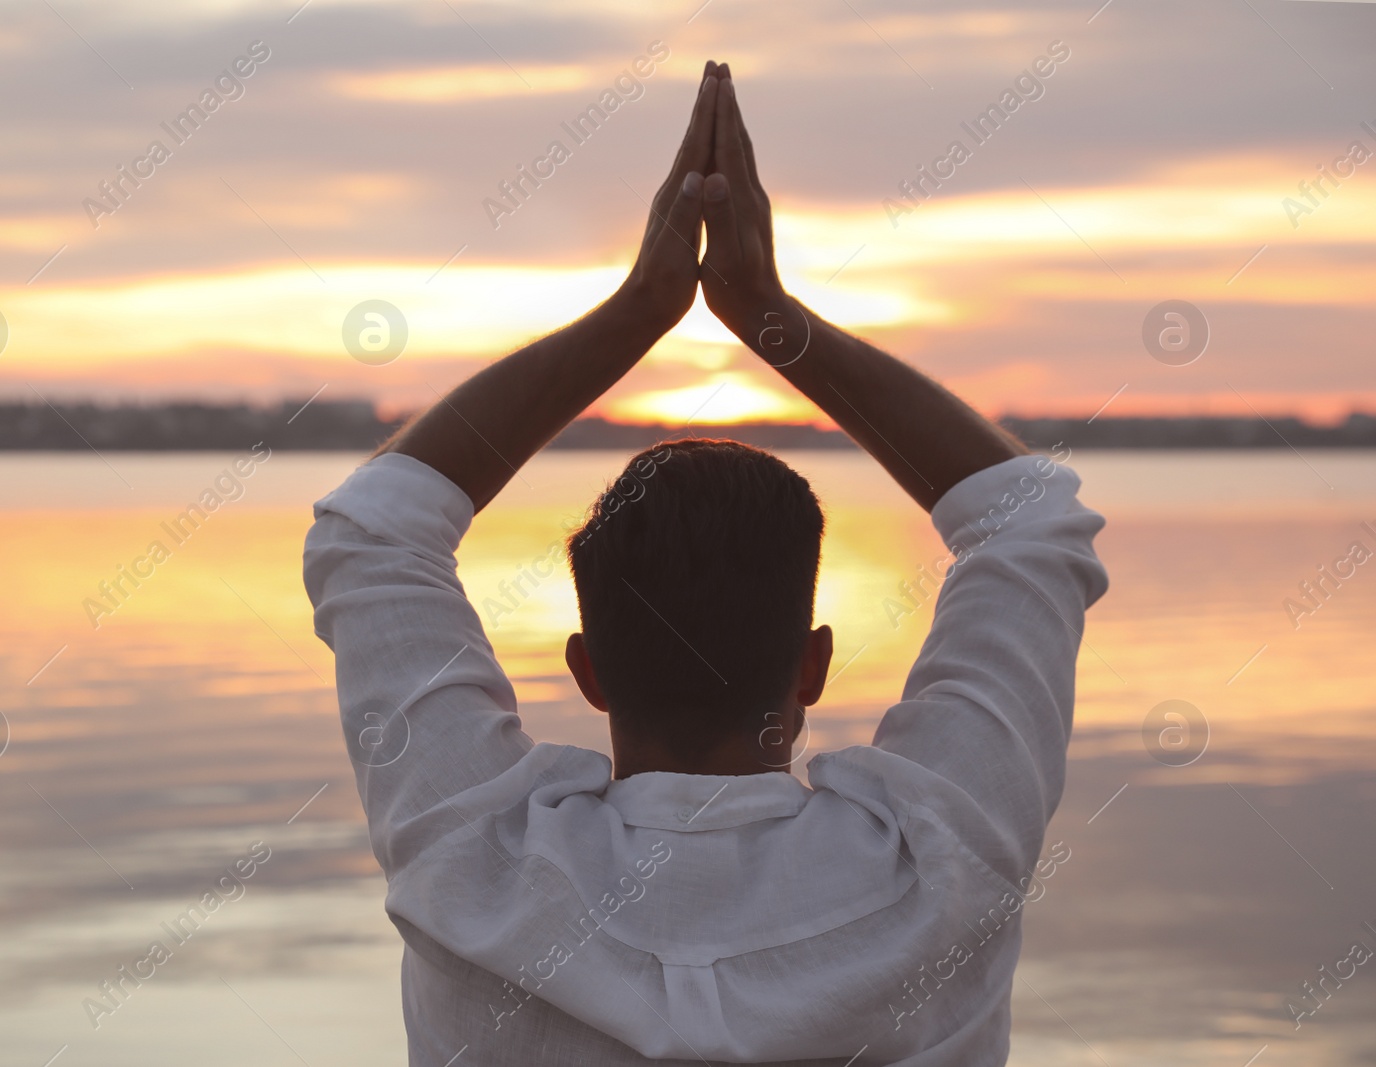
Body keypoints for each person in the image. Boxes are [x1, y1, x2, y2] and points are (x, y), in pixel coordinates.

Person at [303, 61, 1108, 1066]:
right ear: (810, 666)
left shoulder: (474, 863)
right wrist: (768, 313)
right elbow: (1029, 523)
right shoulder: (938, 866)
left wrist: (637, 312)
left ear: (587, 669)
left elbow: (373, 529)